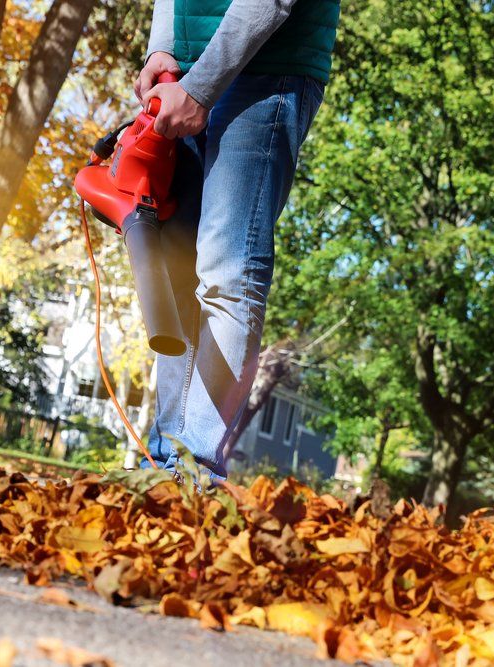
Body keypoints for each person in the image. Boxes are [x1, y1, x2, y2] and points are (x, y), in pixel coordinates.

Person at [134, 0, 340, 478]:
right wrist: (161, 50)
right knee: (178, 273)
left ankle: (195, 469)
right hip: (183, 78)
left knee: (227, 271)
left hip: (267, 66)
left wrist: (202, 89)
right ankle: (164, 463)